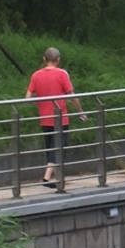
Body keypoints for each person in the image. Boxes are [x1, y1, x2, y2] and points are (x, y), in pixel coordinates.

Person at [25, 47, 87, 188]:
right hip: (60, 118)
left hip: (44, 117)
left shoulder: (36, 75)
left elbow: (27, 98)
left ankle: (54, 178)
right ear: (58, 60)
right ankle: (47, 179)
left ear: (44, 59)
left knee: (50, 148)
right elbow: (71, 96)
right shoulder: (62, 74)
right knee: (58, 147)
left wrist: (41, 97)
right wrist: (80, 112)